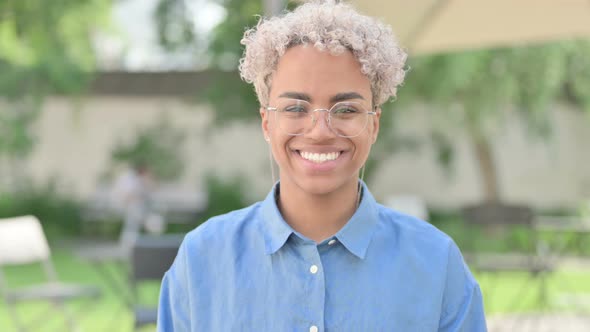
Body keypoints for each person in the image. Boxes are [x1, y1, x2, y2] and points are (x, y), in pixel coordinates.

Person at [158, 1, 487, 331]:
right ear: (266, 123)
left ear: (374, 125)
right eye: (296, 108)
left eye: (345, 110)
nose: (320, 131)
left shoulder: (435, 263)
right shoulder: (202, 259)